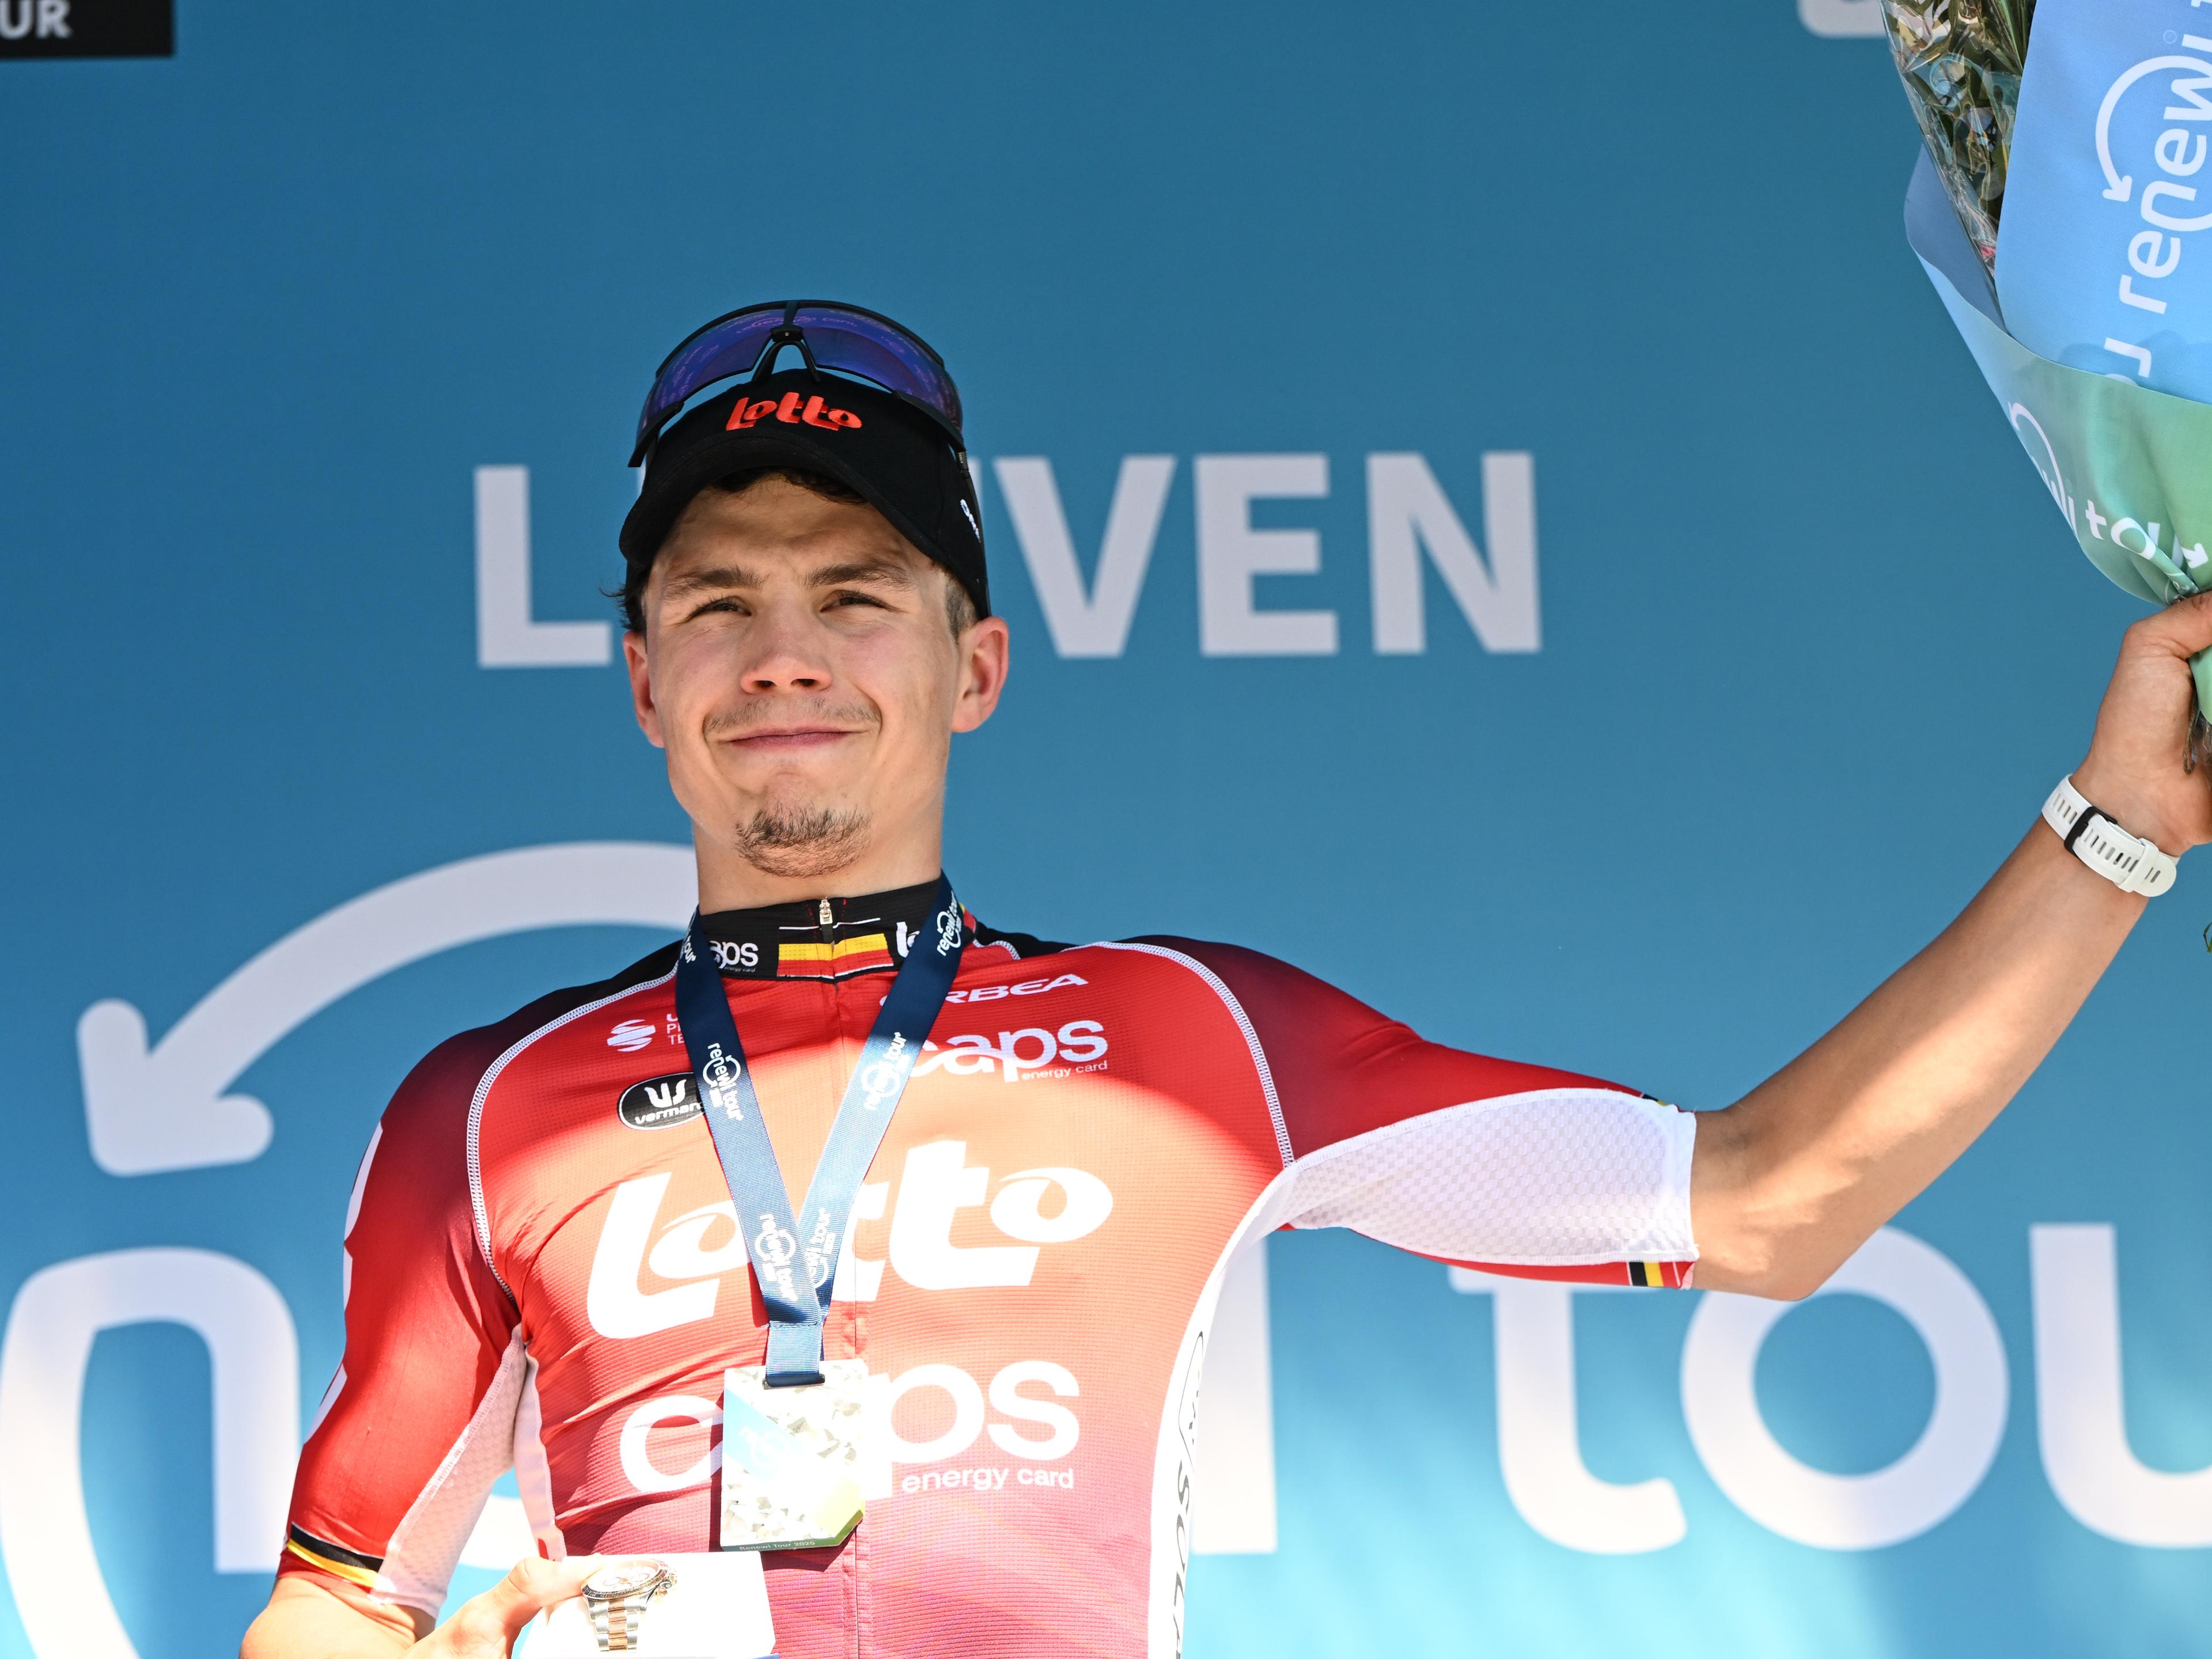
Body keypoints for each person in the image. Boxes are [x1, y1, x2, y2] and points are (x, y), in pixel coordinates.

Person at [240, 301, 2212, 1659]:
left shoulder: (1188, 1040)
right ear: (642, 679)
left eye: (854, 594)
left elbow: (1771, 1198)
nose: (784, 655)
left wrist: (2119, 824)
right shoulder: (488, 1110)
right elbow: (336, 1603)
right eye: (717, 602)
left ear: (975, 667)